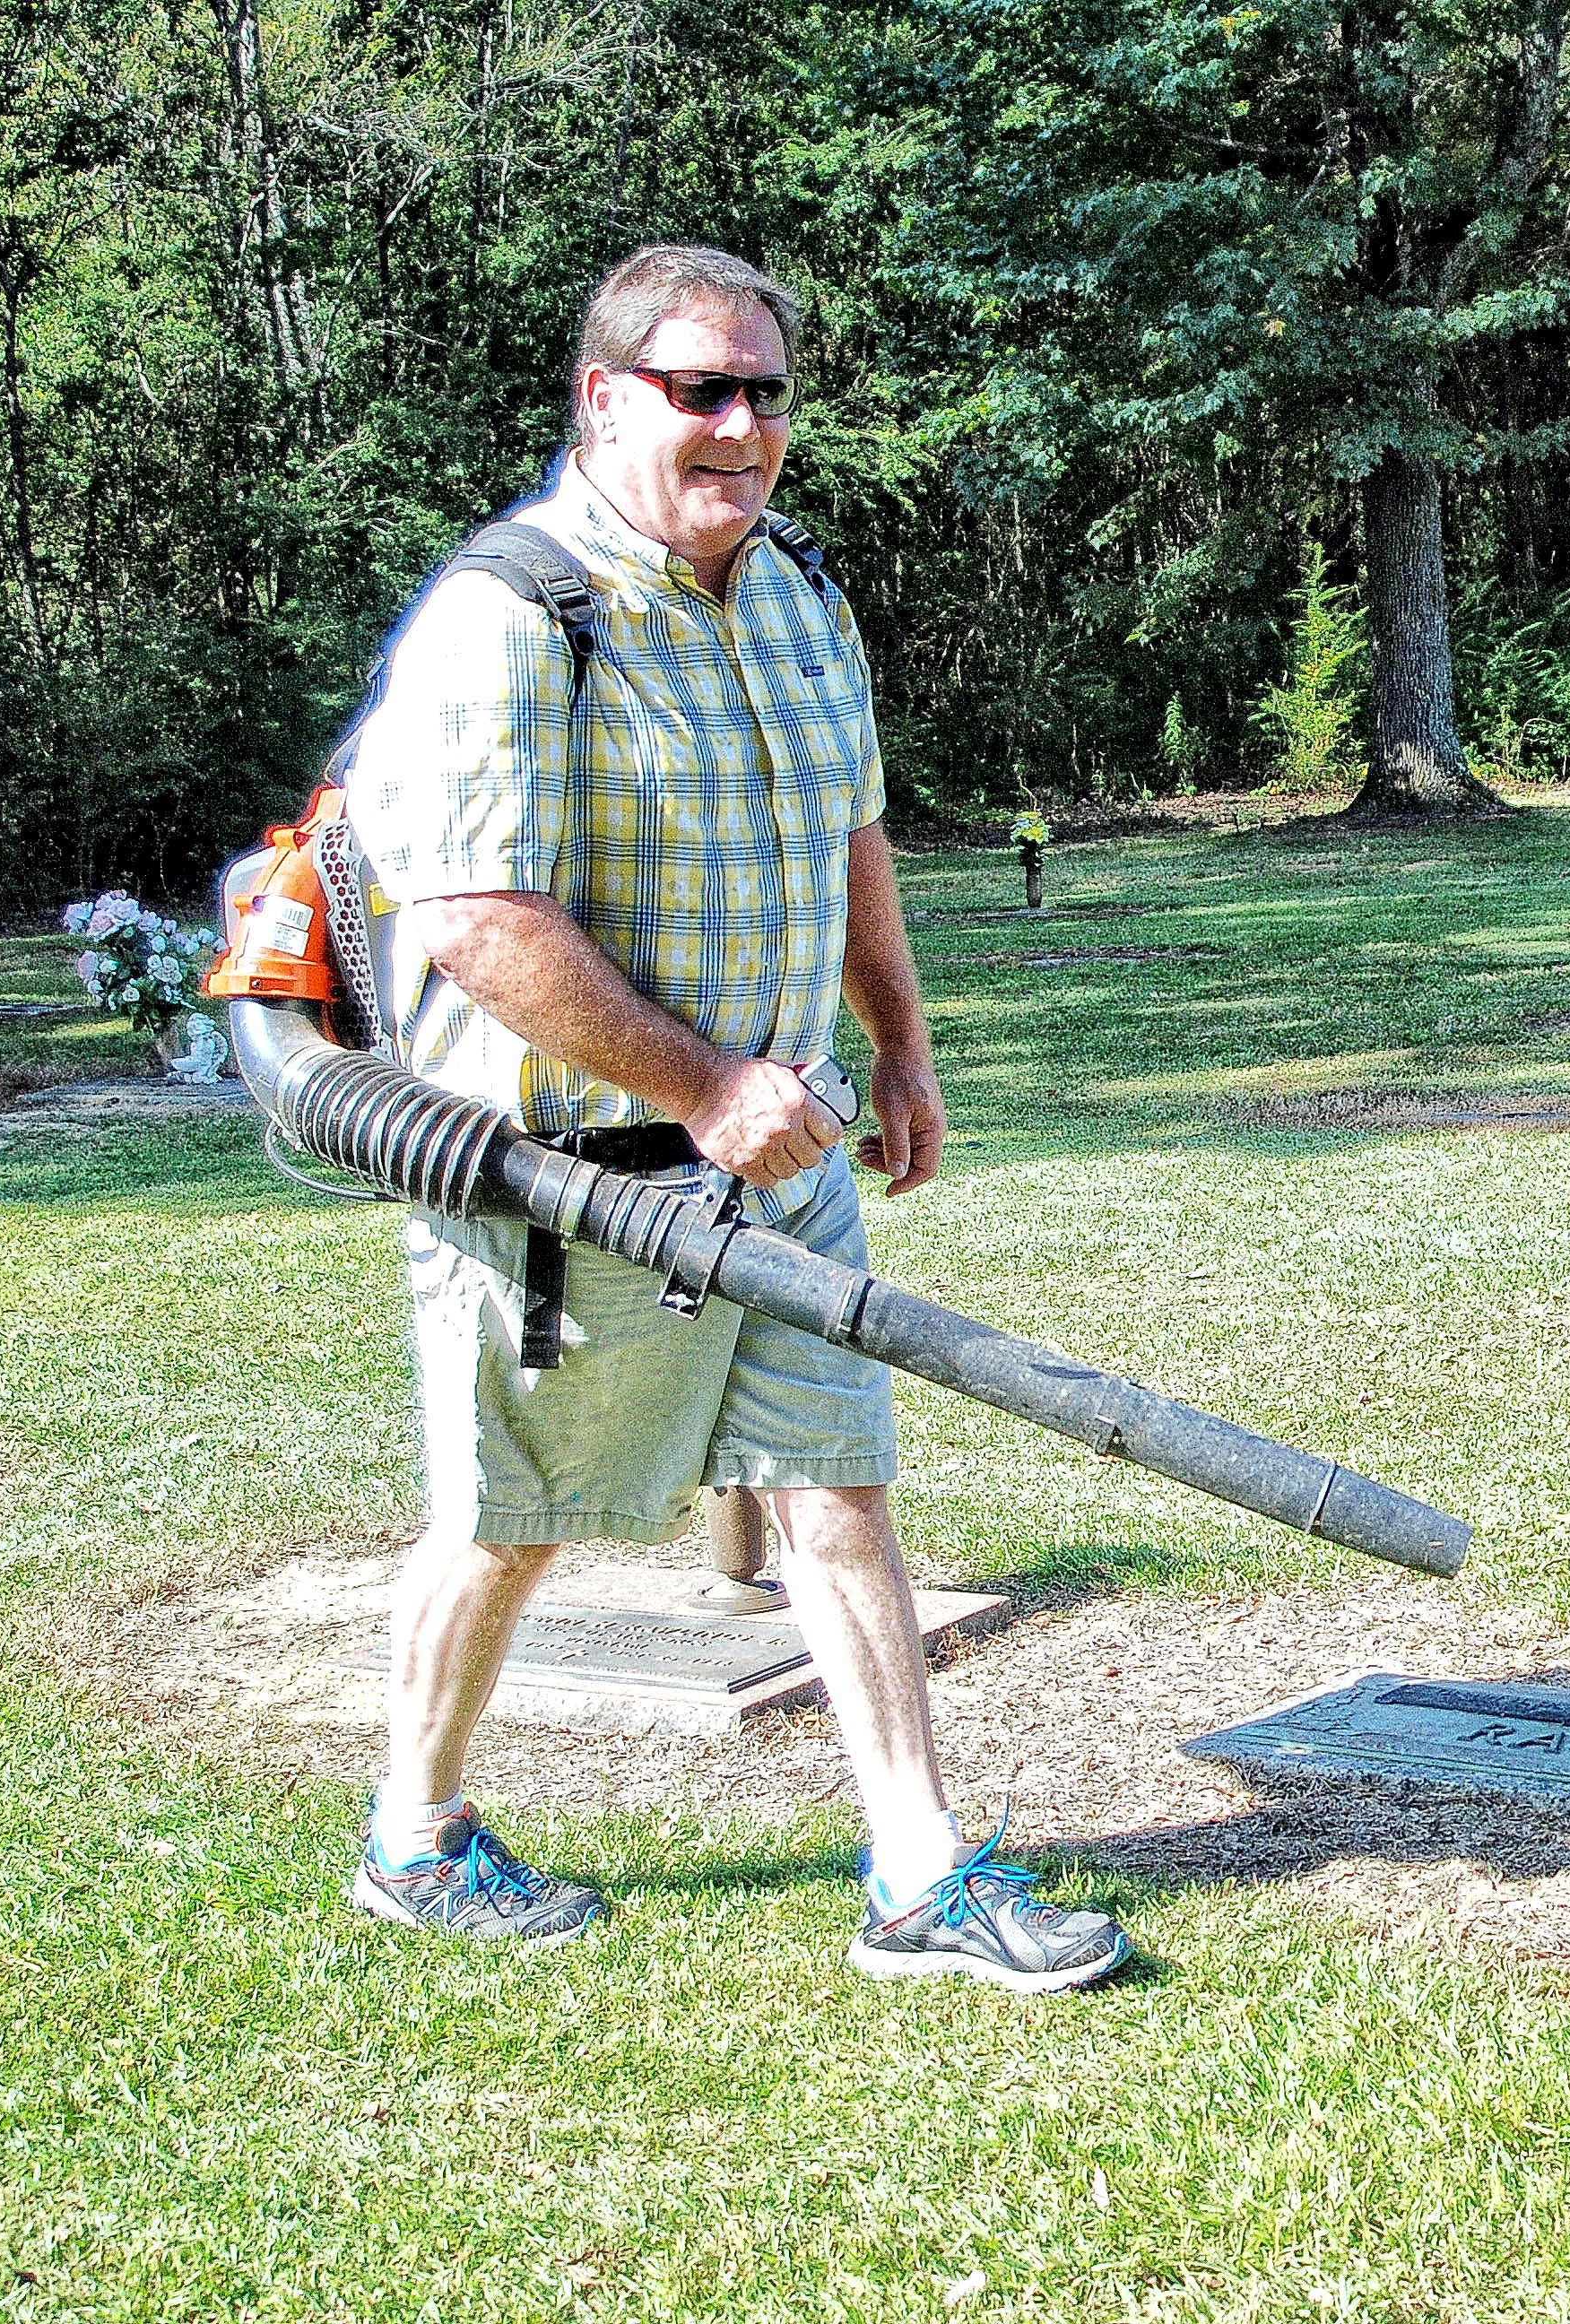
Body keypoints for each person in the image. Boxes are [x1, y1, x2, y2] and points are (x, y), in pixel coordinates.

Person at [338, 243, 1130, 1992]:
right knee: (512, 1522)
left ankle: (919, 1872)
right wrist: (705, 1087)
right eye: (702, 388)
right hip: (569, 1185)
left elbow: (845, 824)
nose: (743, 425)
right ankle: (415, 1833)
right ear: (605, 398)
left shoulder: (795, 587)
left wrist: (898, 1041)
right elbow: (471, 918)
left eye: (767, 392)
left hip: (775, 1167)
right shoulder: (512, 615)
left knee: (835, 1490)